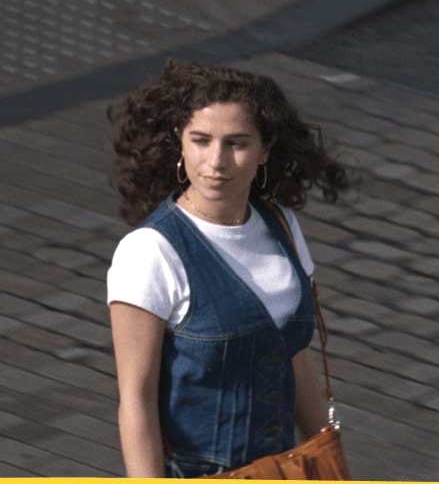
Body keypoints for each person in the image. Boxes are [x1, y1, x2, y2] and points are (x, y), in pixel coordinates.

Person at [106, 60, 351, 478]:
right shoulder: (151, 253)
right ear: (179, 143)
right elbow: (136, 400)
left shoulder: (282, 227)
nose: (215, 161)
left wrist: (328, 462)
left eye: (236, 143)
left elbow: (292, 356)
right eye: (200, 140)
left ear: (265, 149)